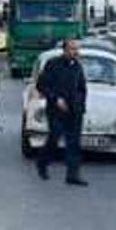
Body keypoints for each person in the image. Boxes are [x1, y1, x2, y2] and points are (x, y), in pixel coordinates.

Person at [35, 37, 88, 186]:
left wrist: (80, 105)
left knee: (74, 143)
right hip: (56, 110)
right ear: (64, 50)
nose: (76, 52)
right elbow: (41, 86)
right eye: (72, 49)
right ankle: (42, 163)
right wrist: (55, 99)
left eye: (77, 49)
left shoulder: (77, 66)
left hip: (75, 111)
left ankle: (73, 175)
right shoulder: (52, 64)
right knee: (54, 137)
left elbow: (82, 89)